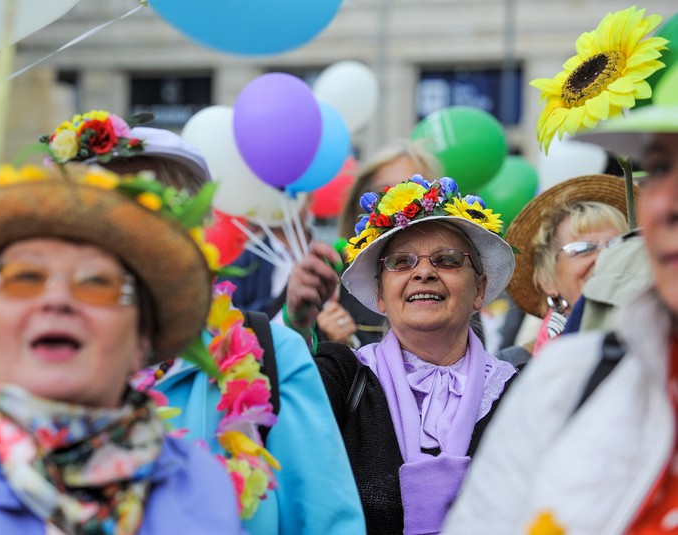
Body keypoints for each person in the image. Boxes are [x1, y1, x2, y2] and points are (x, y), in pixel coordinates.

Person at [0, 3, 366, 533]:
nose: (110, 234)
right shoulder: (1, 333)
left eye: (146, 210)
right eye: (88, 212)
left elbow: (326, 520)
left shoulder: (252, 382)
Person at [0, 160, 245, 533]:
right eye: (25, 277)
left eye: (97, 282)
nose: (58, 300)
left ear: (141, 342)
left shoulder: (199, 488)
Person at [440, 79, 678, 534]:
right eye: (661, 167)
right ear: (546, 277)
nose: (668, 203)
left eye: (615, 243)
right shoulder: (562, 379)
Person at [285, 176, 520, 533]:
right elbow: (275, 413)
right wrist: (297, 327)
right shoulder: (345, 374)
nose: (424, 272)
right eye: (401, 262)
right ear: (380, 295)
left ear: (480, 290)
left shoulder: (522, 391)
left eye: (447, 260)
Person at [321, 140, 444, 348]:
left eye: (412, 192)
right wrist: (331, 346)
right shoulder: (329, 273)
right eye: (385, 193)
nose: (399, 207)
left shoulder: (452, 273)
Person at [503, 174, 631, 357]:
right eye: (583, 249)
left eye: (617, 244)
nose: (604, 257)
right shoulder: (513, 371)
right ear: (548, 280)